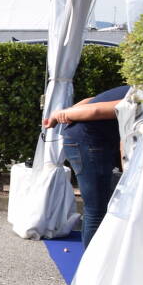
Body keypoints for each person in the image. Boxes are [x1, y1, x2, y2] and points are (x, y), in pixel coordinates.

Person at [43, 85, 130, 248]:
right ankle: (91, 266)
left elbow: (89, 101)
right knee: (96, 209)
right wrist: (59, 115)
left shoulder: (133, 89)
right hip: (88, 143)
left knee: (98, 206)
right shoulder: (142, 97)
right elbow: (96, 110)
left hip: (83, 141)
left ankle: (97, 258)